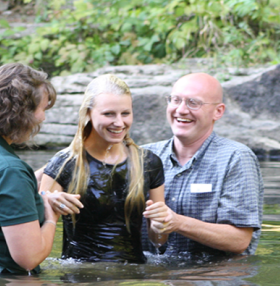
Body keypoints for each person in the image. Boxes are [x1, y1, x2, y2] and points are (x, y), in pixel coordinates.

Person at [39, 74, 169, 263]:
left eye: (125, 113)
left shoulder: (148, 163)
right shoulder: (65, 163)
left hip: (132, 275)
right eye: (109, 114)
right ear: (88, 113)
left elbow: (157, 240)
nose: (119, 122)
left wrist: (160, 226)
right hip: (81, 275)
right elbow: (34, 233)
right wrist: (47, 200)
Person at [142, 72, 264, 257]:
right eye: (175, 100)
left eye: (193, 103)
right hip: (152, 276)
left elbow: (240, 240)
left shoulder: (235, 158)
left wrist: (178, 223)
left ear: (218, 111)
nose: (181, 110)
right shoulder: (143, 156)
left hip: (213, 276)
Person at [0, 63, 60, 274]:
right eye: (41, 109)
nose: (43, 117)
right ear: (20, 112)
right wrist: (51, 216)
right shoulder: (12, 170)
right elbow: (29, 258)